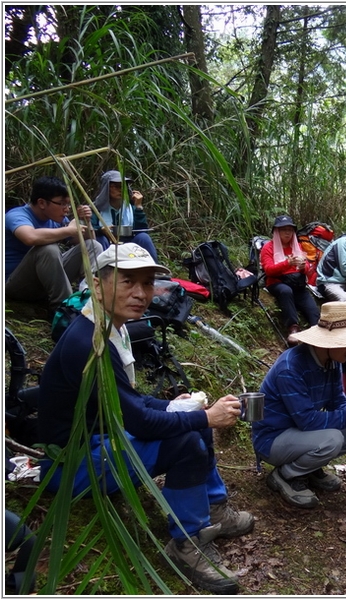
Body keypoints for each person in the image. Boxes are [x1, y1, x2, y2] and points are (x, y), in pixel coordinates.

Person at [37, 243, 253, 595]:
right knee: (189, 438)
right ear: (95, 283)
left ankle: (213, 510)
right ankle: (187, 544)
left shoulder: (109, 327)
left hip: (101, 440)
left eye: (148, 284)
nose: (141, 294)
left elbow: (129, 402)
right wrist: (206, 418)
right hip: (73, 466)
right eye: (127, 282)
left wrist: (172, 406)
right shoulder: (87, 342)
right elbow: (139, 422)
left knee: (193, 422)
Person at [252, 301, 346, 509]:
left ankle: (309, 468)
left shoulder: (332, 361)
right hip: (272, 439)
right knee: (332, 439)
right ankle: (284, 475)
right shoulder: (291, 367)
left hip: (300, 433)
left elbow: (337, 402)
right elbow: (307, 420)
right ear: (329, 342)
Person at [5, 176, 103, 312]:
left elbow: (87, 241)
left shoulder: (55, 219)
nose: (67, 209)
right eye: (62, 203)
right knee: (48, 249)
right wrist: (68, 230)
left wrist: (86, 221)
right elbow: (30, 237)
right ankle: (65, 309)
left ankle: (88, 298)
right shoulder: (17, 215)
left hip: (44, 283)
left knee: (93, 245)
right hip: (16, 285)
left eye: (68, 204)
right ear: (42, 203)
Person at [260, 215, 320, 340]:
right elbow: (269, 270)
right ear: (276, 231)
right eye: (283, 229)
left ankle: (317, 334)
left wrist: (304, 266)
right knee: (285, 291)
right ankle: (293, 327)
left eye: (290, 230)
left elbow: (308, 268)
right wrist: (287, 263)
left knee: (313, 312)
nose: (287, 233)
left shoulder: (297, 246)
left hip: (297, 283)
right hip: (277, 281)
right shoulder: (268, 247)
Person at [91, 170, 158, 260]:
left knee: (143, 237)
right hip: (107, 242)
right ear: (106, 188)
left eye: (123, 186)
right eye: (115, 186)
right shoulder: (96, 209)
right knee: (100, 240)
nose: (120, 189)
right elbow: (90, 229)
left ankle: (153, 270)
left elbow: (141, 230)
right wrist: (101, 230)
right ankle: (99, 271)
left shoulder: (130, 208)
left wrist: (138, 206)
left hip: (128, 242)